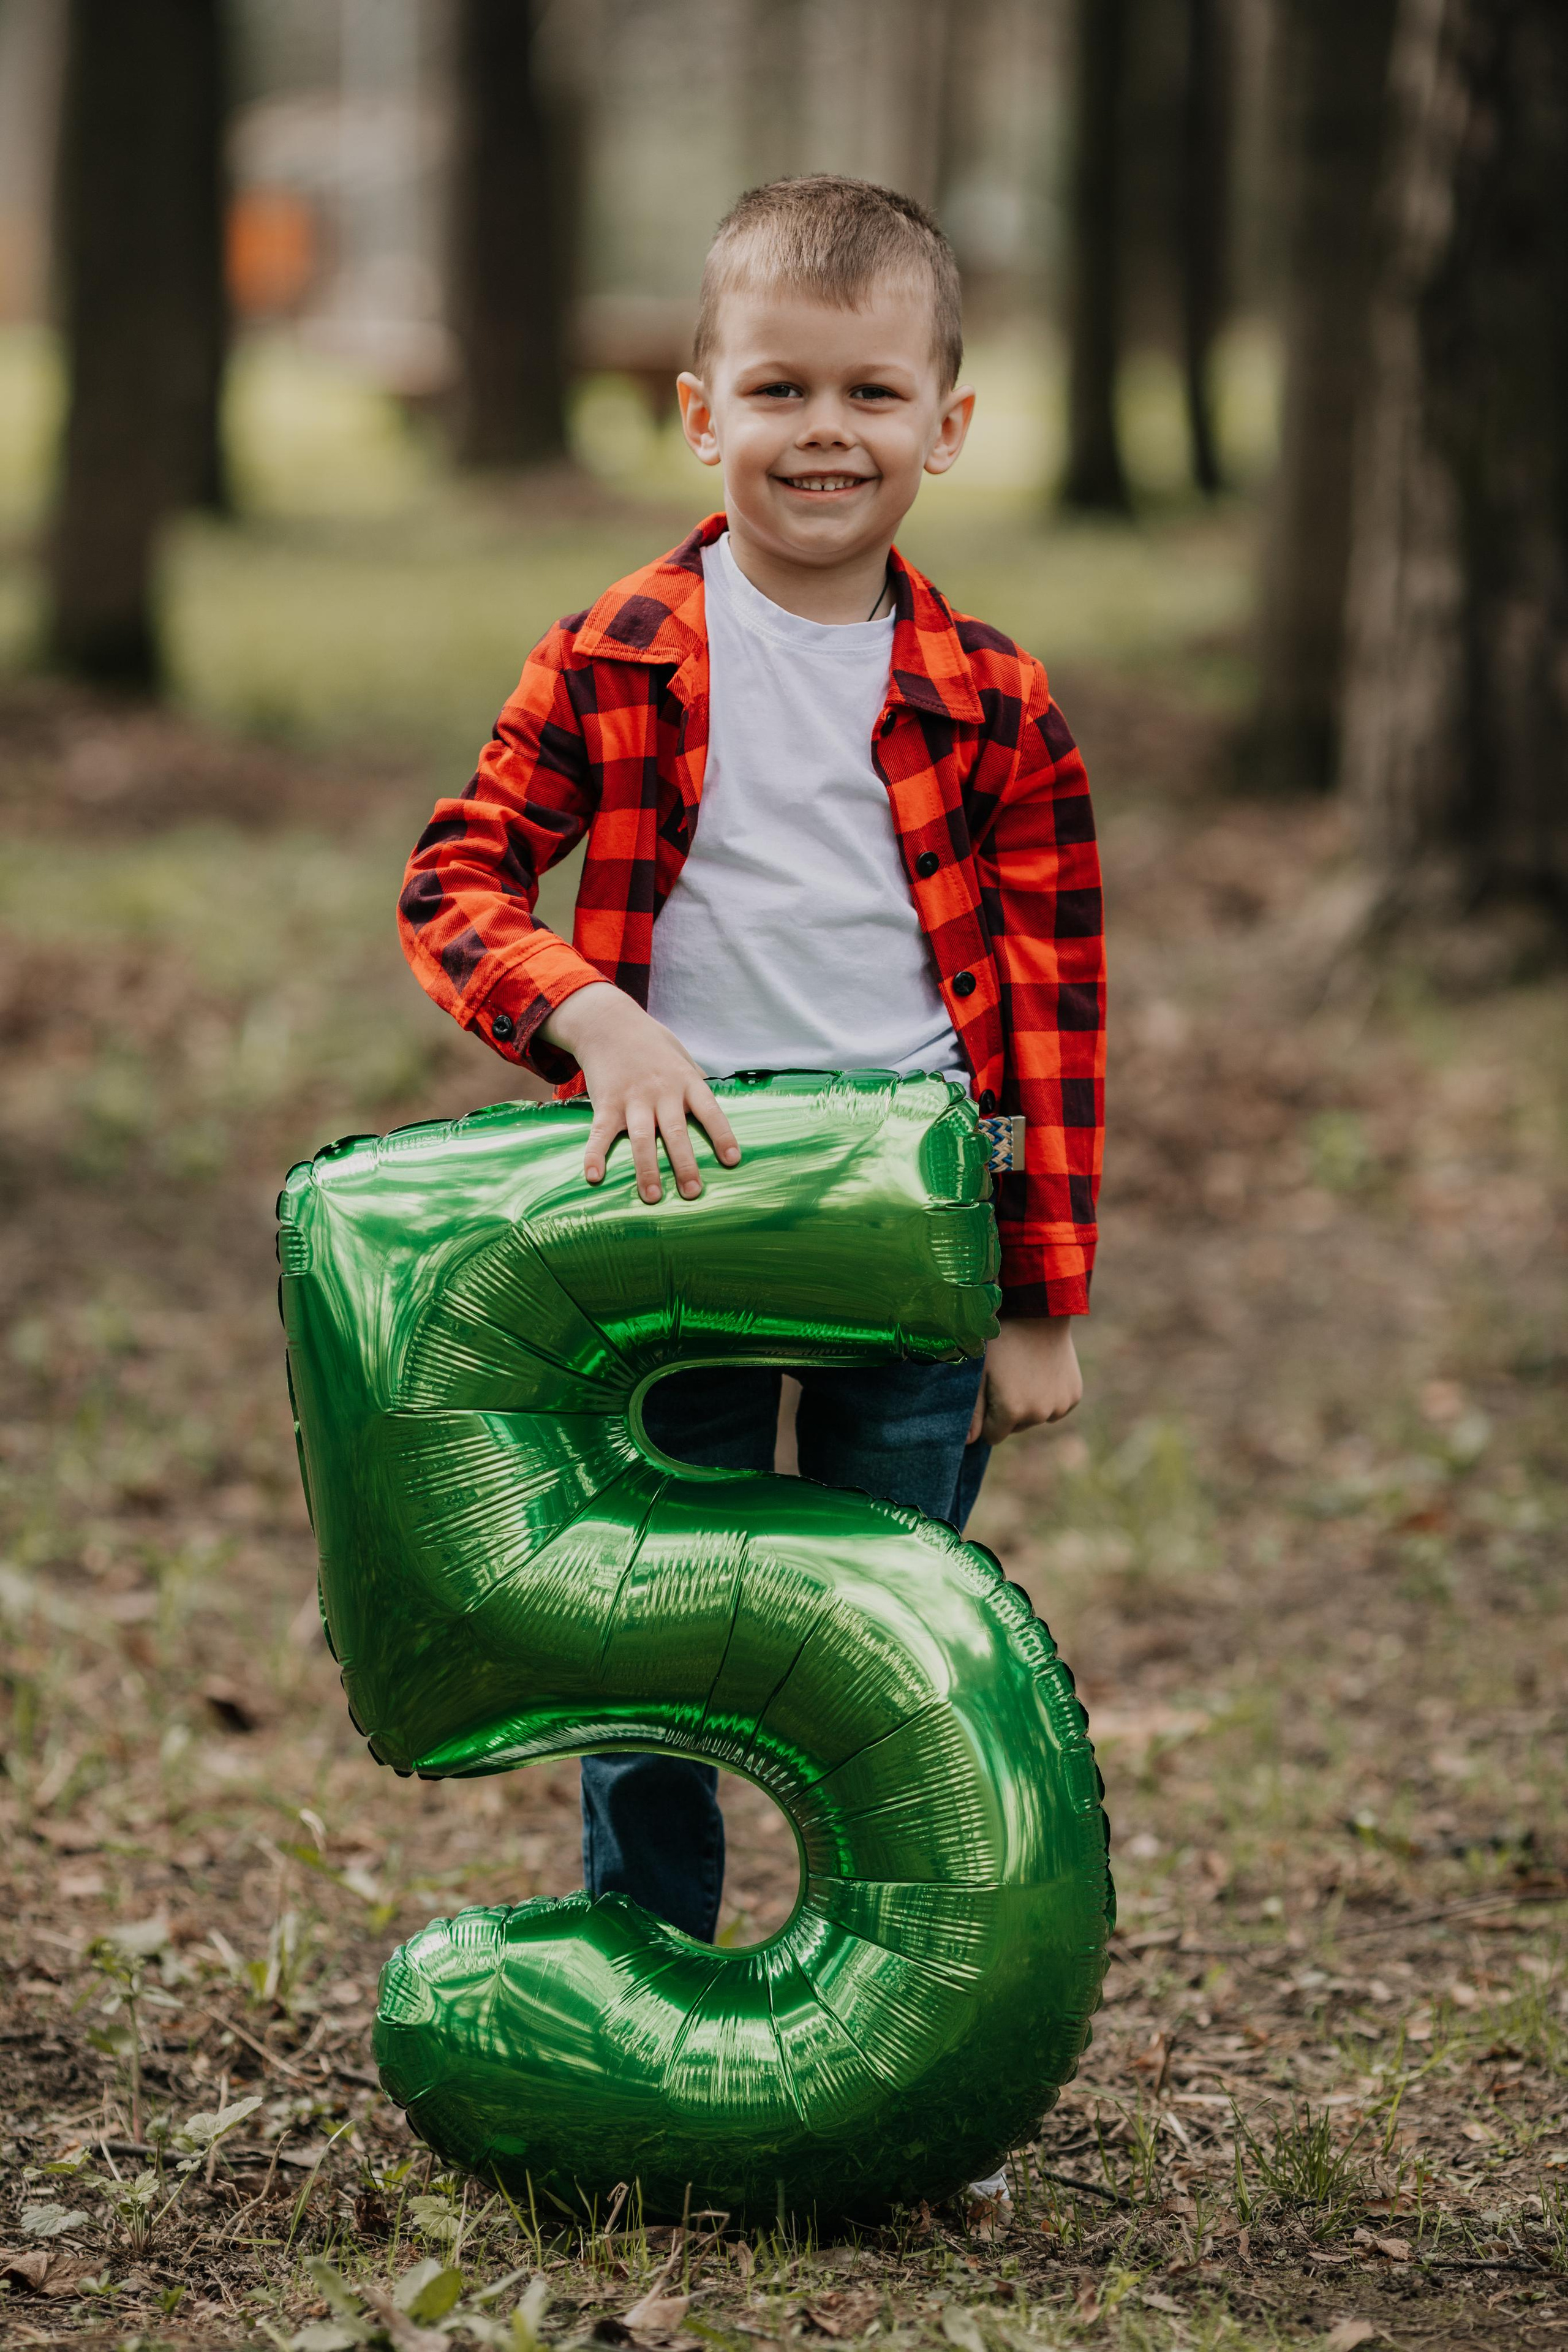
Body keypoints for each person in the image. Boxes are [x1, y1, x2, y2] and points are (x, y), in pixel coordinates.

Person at [398, 174, 1105, 1954]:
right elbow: (454, 877)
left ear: (946, 428)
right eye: (780, 389)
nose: (823, 432)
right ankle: (649, 1973)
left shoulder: (1000, 702)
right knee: (663, 1625)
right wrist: (592, 1012)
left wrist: (1042, 1295)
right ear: (701, 412)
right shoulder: (617, 653)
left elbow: (1050, 1018)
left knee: (894, 1644)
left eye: (871, 394)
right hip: (674, 1213)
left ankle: (905, 1993)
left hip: (912, 1229)